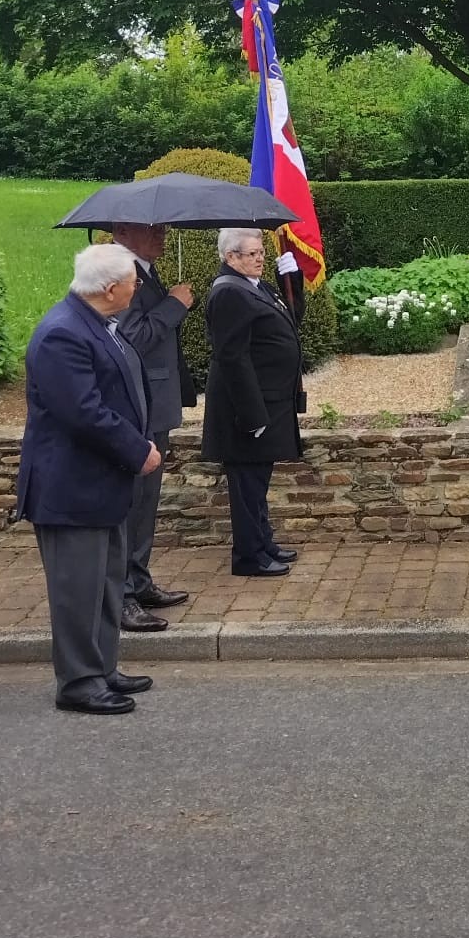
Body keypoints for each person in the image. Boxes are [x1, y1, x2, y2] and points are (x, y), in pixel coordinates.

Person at [17, 244, 162, 716]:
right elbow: (83, 413)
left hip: (101, 483)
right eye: (132, 282)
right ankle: (78, 681)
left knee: (105, 581)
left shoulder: (96, 324)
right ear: (110, 288)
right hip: (70, 487)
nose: (137, 287)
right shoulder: (63, 333)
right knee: (77, 587)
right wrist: (137, 449)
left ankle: (101, 666)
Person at [106, 222, 195, 633]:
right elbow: (131, 336)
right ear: (123, 231)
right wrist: (174, 305)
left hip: (155, 405)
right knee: (132, 502)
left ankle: (139, 581)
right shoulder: (120, 274)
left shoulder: (146, 270)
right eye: (153, 229)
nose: (162, 234)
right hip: (136, 408)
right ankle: (121, 596)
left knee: (147, 503)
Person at [203, 228, 305, 578]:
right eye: (252, 254)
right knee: (246, 483)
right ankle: (248, 556)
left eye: (261, 252)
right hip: (247, 407)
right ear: (230, 257)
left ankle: (263, 542)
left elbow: (290, 323)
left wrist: (292, 280)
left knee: (258, 479)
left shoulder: (254, 286)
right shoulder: (229, 292)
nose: (260, 258)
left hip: (269, 401)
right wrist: (251, 414)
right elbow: (232, 357)